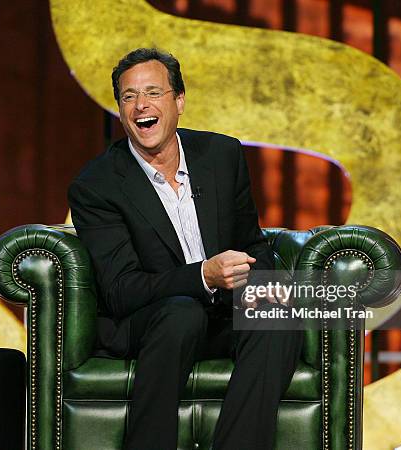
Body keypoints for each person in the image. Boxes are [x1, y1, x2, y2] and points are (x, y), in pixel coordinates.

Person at [68, 48, 303, 450]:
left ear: (178, 101)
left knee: (276, 311)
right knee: (183, 312)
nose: (141, 105)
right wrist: (202, 276)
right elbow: (121, 290)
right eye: (128, 97)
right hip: (150, 319)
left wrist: (259, 288)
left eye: (153, 93)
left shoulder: (222, 155)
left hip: (223, 311)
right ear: (121, 109)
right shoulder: (97, 184)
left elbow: (252, 244)